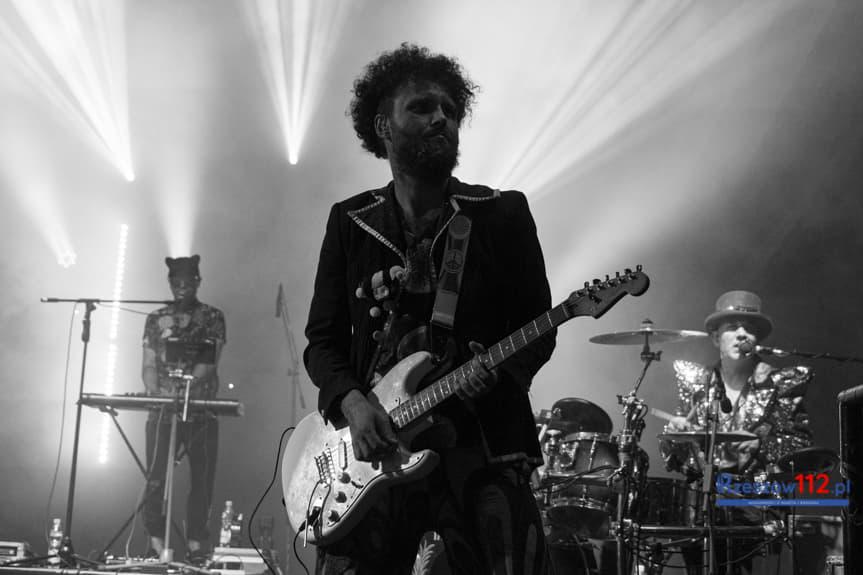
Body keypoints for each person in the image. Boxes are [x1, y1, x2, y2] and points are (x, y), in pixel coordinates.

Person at [303, 43, 557, 575]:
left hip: (483, 443)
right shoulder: (351, 221)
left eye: (450, 109)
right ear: (383, 126)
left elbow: (539, 328)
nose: (442, 118)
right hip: (378, 450)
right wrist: (353, 403)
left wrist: (500, 373)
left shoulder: (501, 213)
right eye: (421, 107)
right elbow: (323, 341)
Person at [659, 290, 813, 574]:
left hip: (758, 507)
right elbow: (675, 460)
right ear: (716, 337)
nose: (742, 334)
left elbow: (800, 445)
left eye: (749, 329)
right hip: (702, 508)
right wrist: (675, 435)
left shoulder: (781, 383)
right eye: (733, 327)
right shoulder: (698, 384)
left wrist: (762, 446)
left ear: (757, 340)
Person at [141, 255, 226, 563]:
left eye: (187, 282)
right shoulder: (156, 318)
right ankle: (154, 540)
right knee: (155, 476)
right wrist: (156, 391)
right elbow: (148, 363)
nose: (181, 288)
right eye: (176, 283)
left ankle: (196, 544)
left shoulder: (211, 317)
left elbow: (209, 361)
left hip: (200, 409)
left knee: (201, 479)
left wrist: (186, 388)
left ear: (197, 282)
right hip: (163, 411)